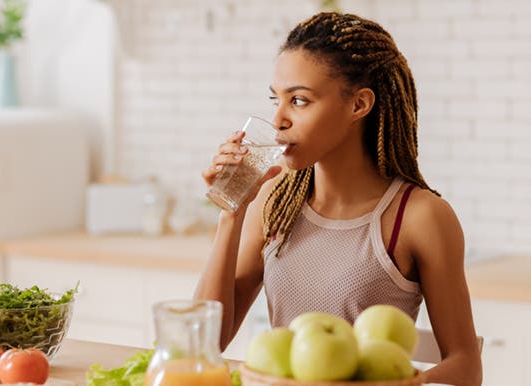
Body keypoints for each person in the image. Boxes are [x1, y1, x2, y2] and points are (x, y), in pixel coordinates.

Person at [195, 11, 482, 386]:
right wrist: (231, 212)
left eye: (299, 100)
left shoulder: (419, 217)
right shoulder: (272, 201)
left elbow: (465, 365)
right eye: (275, 99)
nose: (278, 118)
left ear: (359, 105)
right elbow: (202, 344)